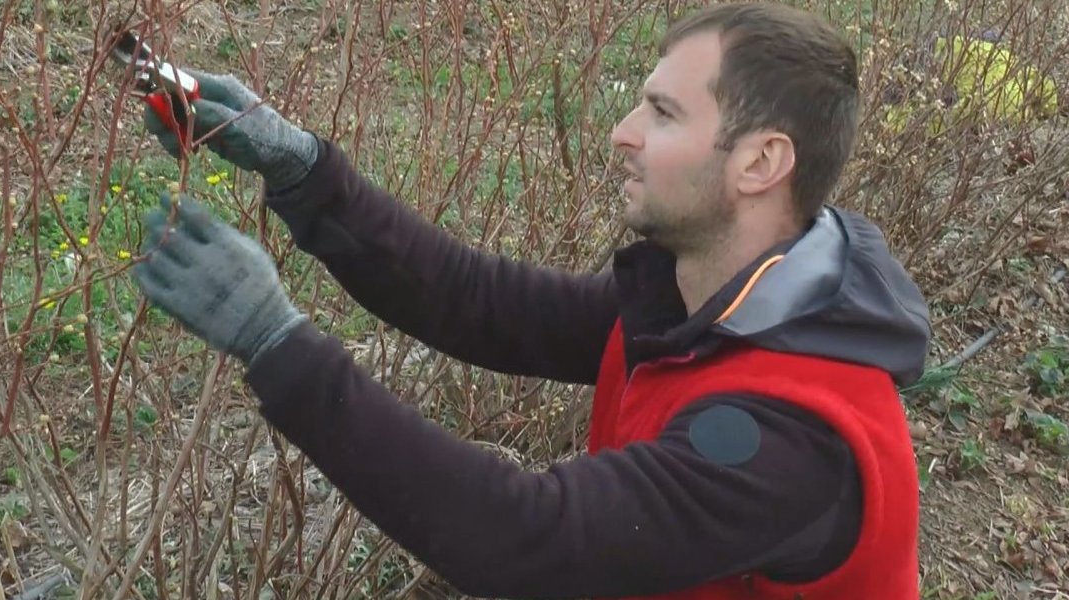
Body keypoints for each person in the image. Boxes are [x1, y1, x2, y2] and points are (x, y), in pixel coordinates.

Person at [132, 2, 932, 598]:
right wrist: (302, 168)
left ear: (760, 163)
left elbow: (529, 542)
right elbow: (483, 305)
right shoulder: (713, 298)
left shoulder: (788, 439)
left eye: (661, 112)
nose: (622, 131)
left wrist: (276, 343)